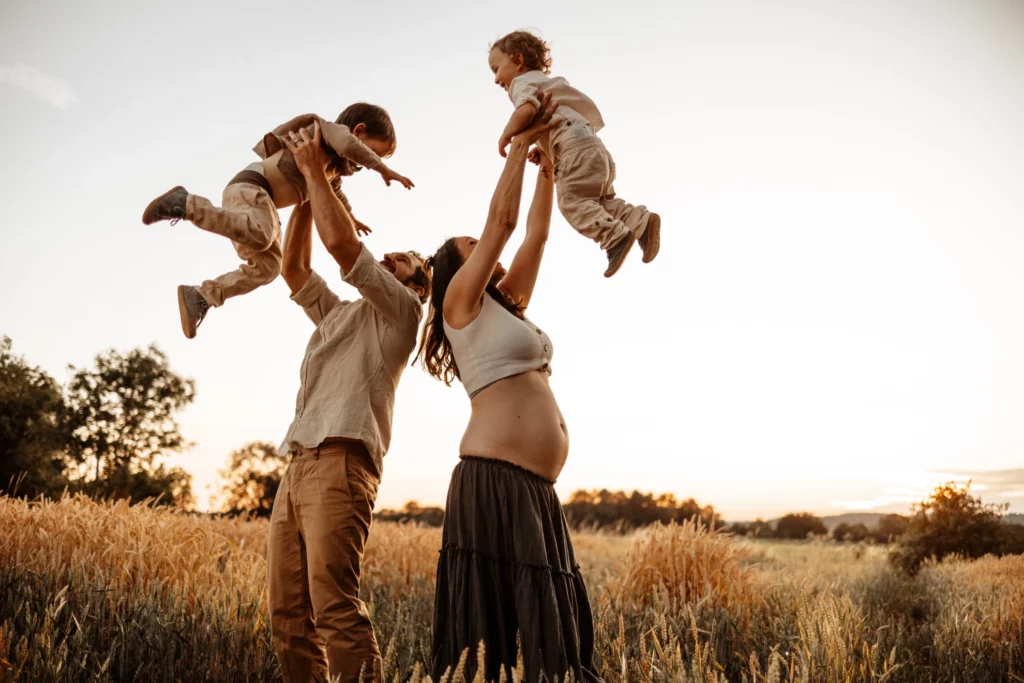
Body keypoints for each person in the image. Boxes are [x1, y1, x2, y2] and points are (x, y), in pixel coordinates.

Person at [418, 93, 603, 682]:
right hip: (493, 480)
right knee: (492, 637)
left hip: (533, 489)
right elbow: (501, 225)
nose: (483, 251)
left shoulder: (510, 306)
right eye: (469, 251)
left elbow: (535, 237)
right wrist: (517, 147)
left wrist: (547, 169)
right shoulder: (460, 303)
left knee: (547, 632)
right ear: (455, 268)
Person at [267, 121, 429, 683]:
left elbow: (343, 249)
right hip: (298, 466)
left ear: (419, 286)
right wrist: (316, 194)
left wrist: (317, 172)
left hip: (342, 464)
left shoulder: (402, 315)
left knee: (334, 608)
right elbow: (294, 270)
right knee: (287, 616)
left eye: (405, 259)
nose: (393, 255)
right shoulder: (342, 315)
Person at [141, 103, 414, 338]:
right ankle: (186, 204)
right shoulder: (327, 131)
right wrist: (384, 169)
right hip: (252, 187)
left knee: (269, 268)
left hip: (261, 203)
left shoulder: (331, 169)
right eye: (373, 154)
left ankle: (201, 296)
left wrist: (351, 218)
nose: (366, 164)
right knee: (263, 234)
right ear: (359, 131)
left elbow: (335, 195)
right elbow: (348, 145)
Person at [490, 30, 660, 278]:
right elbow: (557, 119)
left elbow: (526, 110)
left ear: (517, 61)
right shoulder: (548, 83)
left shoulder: (521, 83)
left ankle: (613, 237)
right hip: (591, 147)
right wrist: (545, 147)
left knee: (571, 201)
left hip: (573, 150)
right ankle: (639, 221)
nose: (496, 79)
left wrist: (507, 134)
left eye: (496, 69)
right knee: (598, 202)